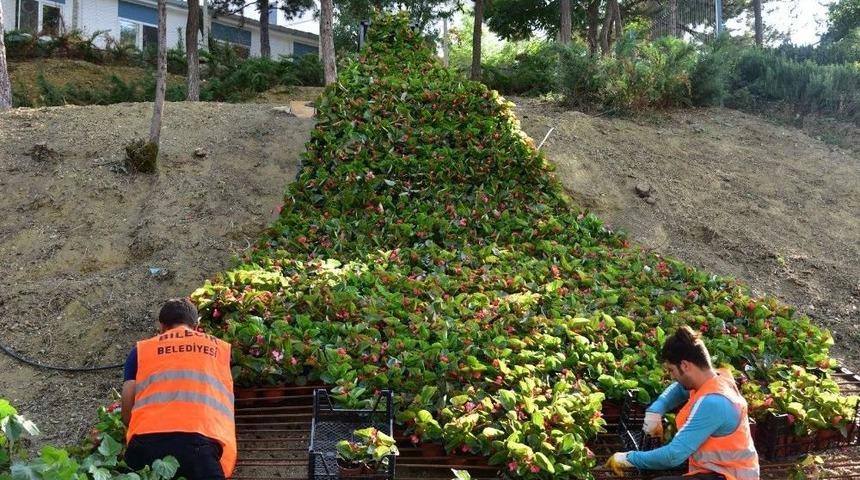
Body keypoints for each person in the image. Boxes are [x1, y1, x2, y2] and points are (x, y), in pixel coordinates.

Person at [606, 326, 759, 480]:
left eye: (672, 370)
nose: (672, 376)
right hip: (717, 471)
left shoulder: (714, 403)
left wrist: (628, 458)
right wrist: (656, 410)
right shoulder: (714, 379)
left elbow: (673, 456)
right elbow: (679, 390)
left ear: (685, 365)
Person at [121, 298, 237, 480]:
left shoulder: (142, 351)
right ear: (197, 325)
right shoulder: (218, 350)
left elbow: (128, 397)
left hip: (146, 443)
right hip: (200, 446)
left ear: (161, 327)